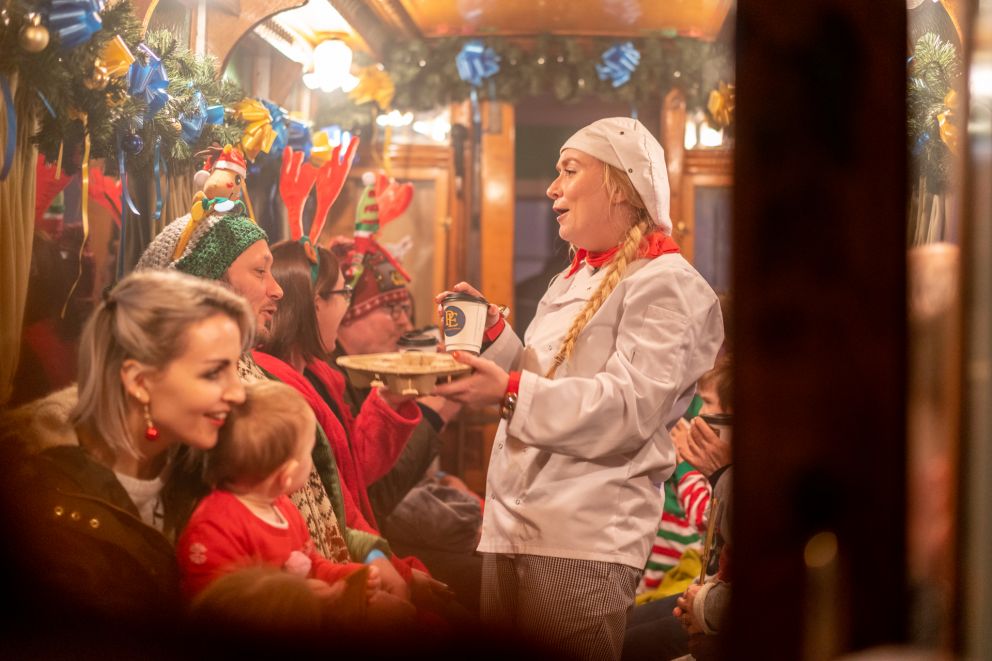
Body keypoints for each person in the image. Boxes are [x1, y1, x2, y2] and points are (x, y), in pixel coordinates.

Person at [433, 117, 724, 660]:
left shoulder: (668, 284)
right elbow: (551, 381)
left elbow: (625, 409)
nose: (552, 188)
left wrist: (509, 392)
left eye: (569, 170)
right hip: (514, 526)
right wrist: (497, 343)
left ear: (620, 185)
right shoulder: (570, 278)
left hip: (582, 538)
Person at [0, 270, 253, 629]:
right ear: (139, 382)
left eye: (235, 370)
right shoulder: (32, 515)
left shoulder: (215, 464)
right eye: (214, 373)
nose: (238, 393)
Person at [256, 239, 427, 599]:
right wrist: (380, 563)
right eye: (342, 293)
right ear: (316, 303)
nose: (346, 306)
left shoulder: (319, 373)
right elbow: (320, 509)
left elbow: (347, 473)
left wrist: (391, 399)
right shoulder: (276, 388)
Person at [177, 380, 417, 625]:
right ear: (287, 474)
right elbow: (220, 610)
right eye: (308, 452)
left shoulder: (282, 507)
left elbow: (312, 565)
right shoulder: (214, 528)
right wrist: (305, 599)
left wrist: (349, 578)